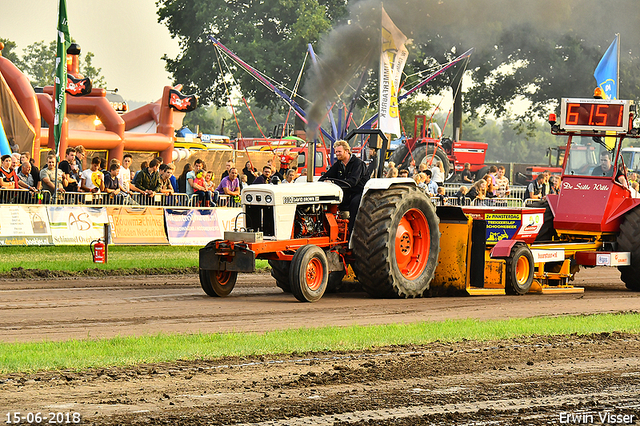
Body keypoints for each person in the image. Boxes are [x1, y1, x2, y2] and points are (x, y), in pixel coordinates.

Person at [319, 139, 369, 235]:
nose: (337, 154)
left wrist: (334, 182)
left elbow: (352, 182)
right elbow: (325, 177)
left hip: (358, 192)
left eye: (339, 152)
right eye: (336, 152)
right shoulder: (338, 165)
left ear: (346, 151)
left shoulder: (358, 164)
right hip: (345, 192)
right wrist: (325, 181)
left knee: (354, 204)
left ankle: (352, 233)